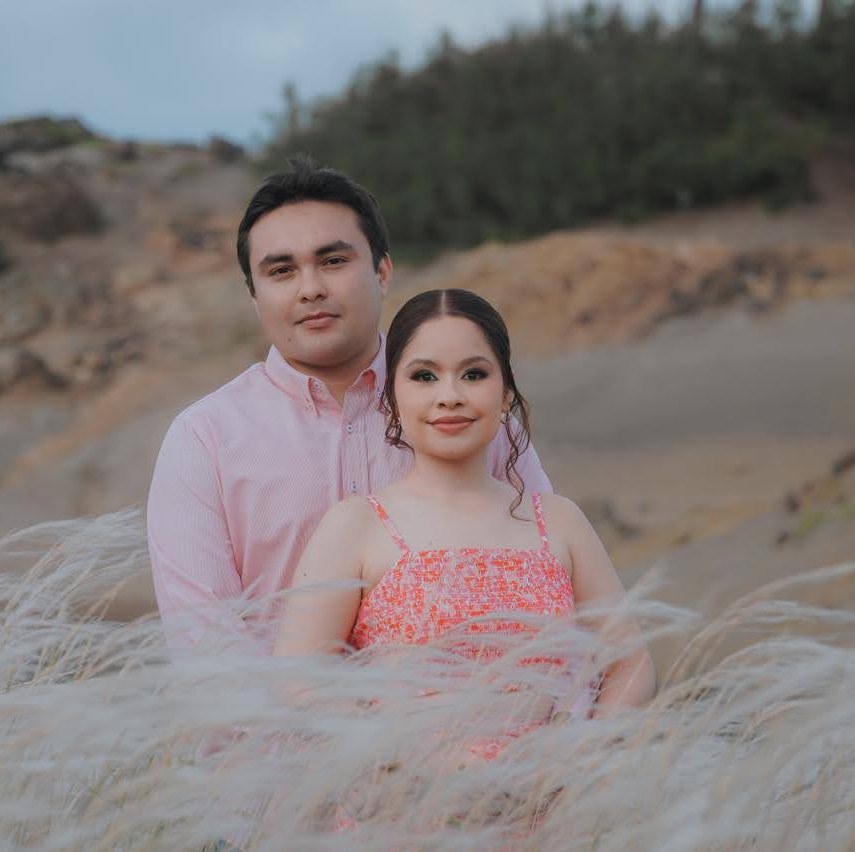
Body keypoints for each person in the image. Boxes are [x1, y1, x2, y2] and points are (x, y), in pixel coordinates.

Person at [147, 159, 552, 652]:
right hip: (275, 705)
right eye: (281, 271)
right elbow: (206, 649)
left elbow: (550, 585)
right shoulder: (204, 439)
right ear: (254, 296)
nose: (311, 289)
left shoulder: (467, 416)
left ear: (382, 271)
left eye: (334, 261)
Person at [273, 288, 655, 729]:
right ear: (391, 394)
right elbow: (297, 682)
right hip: (405, 771)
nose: (450, 396)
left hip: (554, 771)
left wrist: (588, 746)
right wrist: (392, 753)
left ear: (506, 391)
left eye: (474, 374)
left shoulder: (559, 521)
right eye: (424, 376)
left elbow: (631, 663)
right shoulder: (357, 524)